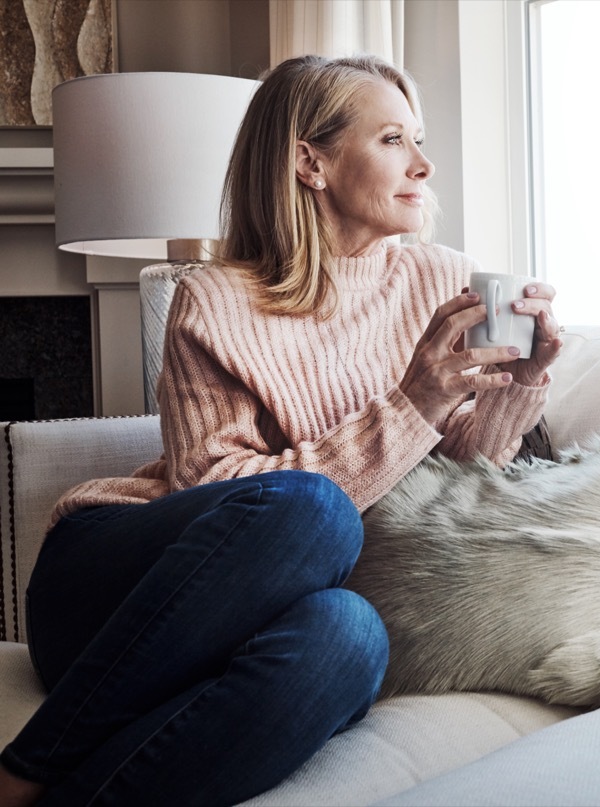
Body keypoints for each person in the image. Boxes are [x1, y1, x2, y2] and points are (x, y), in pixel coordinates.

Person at [0, 53, 562, 806]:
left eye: (419, 140)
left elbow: (444, 478)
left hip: (251, 621)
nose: (424, 165)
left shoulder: (438, 278)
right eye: (393, 140)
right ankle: (25, 766)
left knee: (349, 636)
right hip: (111, 583)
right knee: (314, 509)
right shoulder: (216, 298)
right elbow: (220, 496)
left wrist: (518, 386)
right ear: (310, 162)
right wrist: (410, 405)